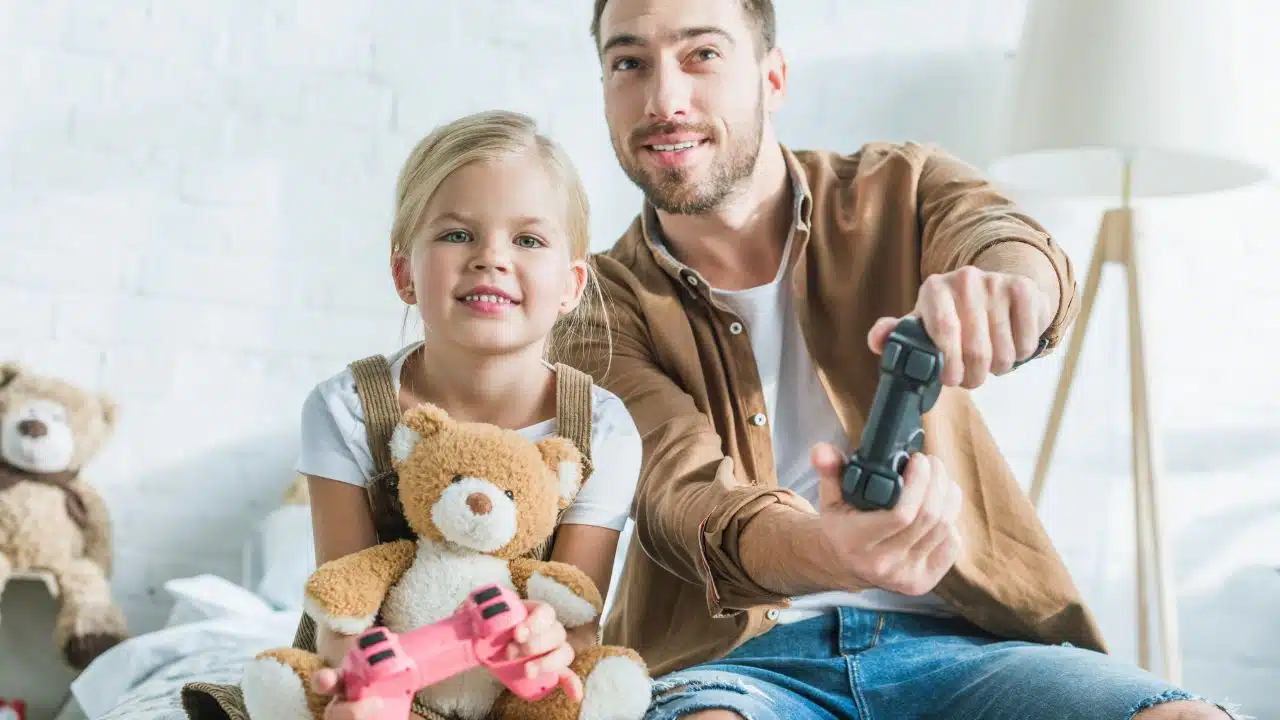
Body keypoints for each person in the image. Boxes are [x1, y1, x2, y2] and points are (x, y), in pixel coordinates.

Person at [566, 0, 1243, 718]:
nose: (664, 99)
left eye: (701, 54)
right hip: (736, 663)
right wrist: (834, 553)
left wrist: (1008, 292)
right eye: (628, 63)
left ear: (772, 78)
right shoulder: (592, 310)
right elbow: (685, 502)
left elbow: (1003, 237)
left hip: (962, 643)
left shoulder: (903, 186)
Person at [298, 110, 642, 719]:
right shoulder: (348, 408)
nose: (491, 258)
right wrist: (369, 689)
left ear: (571, 285)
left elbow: (577, 621)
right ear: (404, 272)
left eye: (528, 240)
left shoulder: (602, 431)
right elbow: (342, 609)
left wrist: (544, 643)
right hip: (380, 681)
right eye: (457, 234)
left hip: (518, 694)